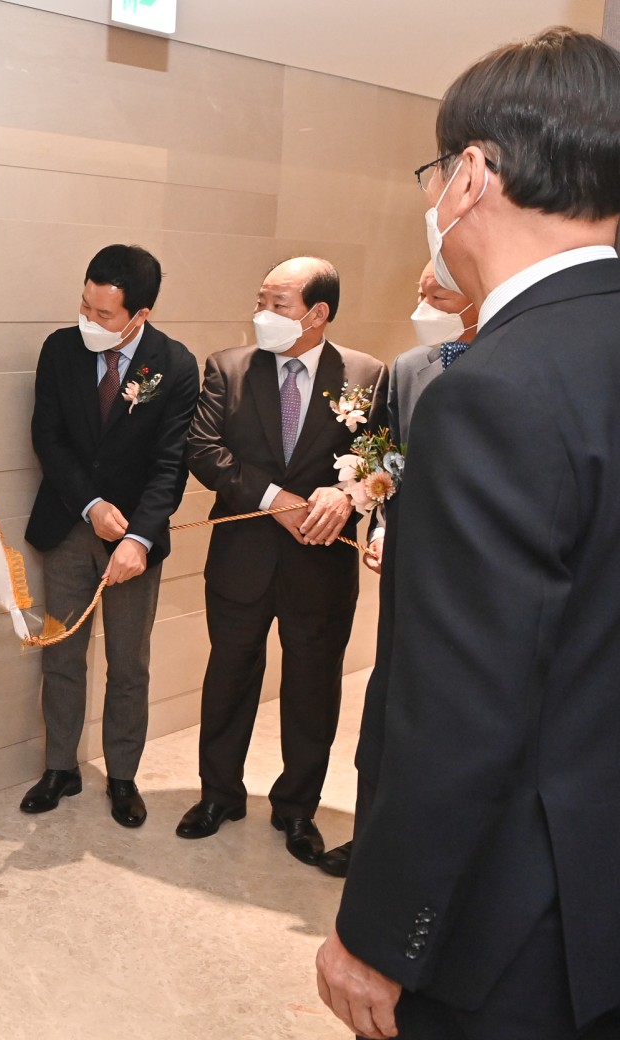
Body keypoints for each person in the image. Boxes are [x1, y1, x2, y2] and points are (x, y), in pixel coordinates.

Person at [317, 28, 620, 1039]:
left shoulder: (493, 391)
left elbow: (461, 707)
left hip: (513, 924)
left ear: (474, 176)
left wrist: (378, 931)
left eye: (436, 172)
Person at [177, 256, 386, 868]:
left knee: (313, 686)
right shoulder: (228, 367)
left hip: (320, 562)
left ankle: (297, 807)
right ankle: (218, 794)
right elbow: (203, 448)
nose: (262, 314)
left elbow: (382, 458)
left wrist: (346, 495)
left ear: (317, 314)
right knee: (229, 675)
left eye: (277, 304)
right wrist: (275, 500)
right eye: (260, 301)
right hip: (242, 557)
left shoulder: (367, 375)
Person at [21, 244, 199, 825]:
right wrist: (91, 505)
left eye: (103, 314)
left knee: (129, 663)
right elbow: (48, 438)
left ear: (139, 314)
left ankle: (122, 775)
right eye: (84, 306)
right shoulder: (60, 349)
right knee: (61, 654)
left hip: (133, 541)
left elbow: (171, 465)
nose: (89, 321)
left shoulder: (175, 365)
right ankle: (60, 767)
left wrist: (139, 539)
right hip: (69, 525)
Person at [318, 261, 478, 879]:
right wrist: (381, 527)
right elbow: (387, 462)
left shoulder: (515, 365)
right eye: (421, 293)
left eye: (439, 297)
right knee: (387, 706)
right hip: (408, 575)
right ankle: (370, 838)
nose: (424, 307)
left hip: (473, 578)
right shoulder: (410, 368)